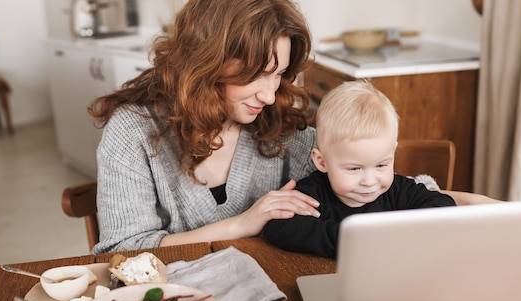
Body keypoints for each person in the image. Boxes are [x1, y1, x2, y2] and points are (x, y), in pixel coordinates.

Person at [89, 0, 498, 254]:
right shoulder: (133, 134)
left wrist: (481, 207)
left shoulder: (276, 125)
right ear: (206, 63)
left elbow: (370, 180)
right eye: (257, 75)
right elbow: (122, 252)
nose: (269, 94)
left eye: (279, 74)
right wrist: (243, 223)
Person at [262, 80, 457, 258]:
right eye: (354, 169)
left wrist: (402, 233)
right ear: (322, 162)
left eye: (381, 165)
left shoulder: (397, 190)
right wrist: (354, 240)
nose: (370, 181)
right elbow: (278, 225)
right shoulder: (313, 194)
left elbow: (443, 205)